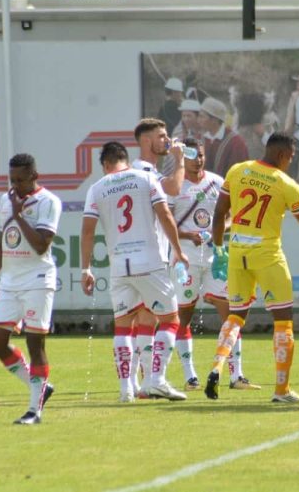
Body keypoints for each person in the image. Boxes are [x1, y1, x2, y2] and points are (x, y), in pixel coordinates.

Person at [203, 132, 299, 402]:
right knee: (283, 322)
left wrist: (218, 249)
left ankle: (216, 367)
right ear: (284, 154)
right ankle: (282, 390)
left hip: (237, 254)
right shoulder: (286, 183)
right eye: (292, 156)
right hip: (268, 256)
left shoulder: (238, 171)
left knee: (235, 317)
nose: (291, 162)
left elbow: (218, 214)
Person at [81, 141, 189, 402]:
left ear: (106, 165)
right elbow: (164, 214)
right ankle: (157, 380)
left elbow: (87, 231)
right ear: (125, 160)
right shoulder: (145, 178)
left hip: (119, 267)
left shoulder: (97, 188)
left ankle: (125, 390)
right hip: (149, 262)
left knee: (123, 327)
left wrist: (86, 268)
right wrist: (177, 250)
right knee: (170, 320)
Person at [168, 137, 259, 391]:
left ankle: (236, 375)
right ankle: (190, 376)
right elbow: (167, 224)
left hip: (214, 257)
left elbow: (232, 216)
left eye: (201, 155)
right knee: (183, 317)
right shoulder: (176, 186)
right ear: (182, 158)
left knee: (231, 312)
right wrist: (188, 236)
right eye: (193, 155)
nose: (199, 159)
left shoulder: (217, 182)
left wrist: (216, 229)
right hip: (184, 258)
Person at [0, 153, 61, 424]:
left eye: (20, 180)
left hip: (37, 279)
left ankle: (34, 411)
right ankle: (40, 388)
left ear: (34, 176)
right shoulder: (7, 200)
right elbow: (3, 241)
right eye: (11, 180)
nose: (14, 186)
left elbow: (41, 245)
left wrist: (19, 216)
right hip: (11, 282)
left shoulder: (49, 202)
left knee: (35, 342)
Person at [198, 97, 249, 177]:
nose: (199, 120)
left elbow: (240, 173)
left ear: (214, 119)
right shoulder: (199, 139)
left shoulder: (236, 143)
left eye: (202, 117)